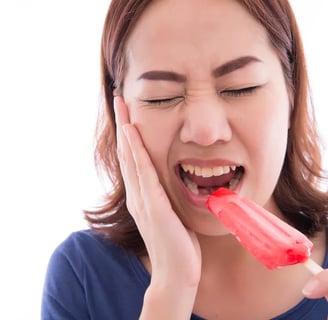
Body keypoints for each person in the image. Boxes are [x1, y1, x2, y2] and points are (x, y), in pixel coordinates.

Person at [41, 0, 328, 319]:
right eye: (160, 95)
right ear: (120, 113)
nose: (206, 131)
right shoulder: (84, 276)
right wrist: (171, 290)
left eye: (240, 88)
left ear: (292, 95)